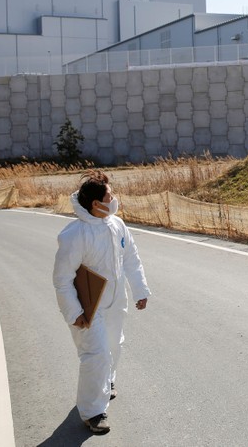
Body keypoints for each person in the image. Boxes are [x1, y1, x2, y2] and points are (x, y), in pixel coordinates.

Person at [52, 170, 151, 435]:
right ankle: (93, 411)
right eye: (110, 195)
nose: (114, 198)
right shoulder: (75, 234)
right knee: (95, 356)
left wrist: (140, 289)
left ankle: (107, 382)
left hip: (116, 299)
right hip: (89, 305)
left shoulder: (116, 224)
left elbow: (131, 257)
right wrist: (74, 313)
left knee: (114, 345)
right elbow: (62, 279)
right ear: (96, 204)